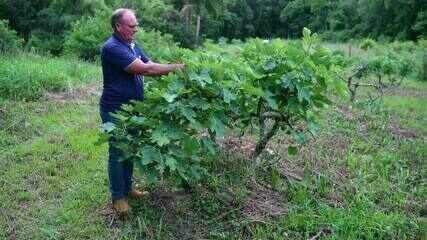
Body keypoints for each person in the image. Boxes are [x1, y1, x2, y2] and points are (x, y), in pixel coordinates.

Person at [100, 8, 184, 214]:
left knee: (130, 149)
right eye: (132, 26)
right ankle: (117, 197)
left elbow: (150, 63)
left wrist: (175, 74)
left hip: (134, 108)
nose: (136, 29)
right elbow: (145, 69)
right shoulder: (111, 47)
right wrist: (178, 68)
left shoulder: (132, 44)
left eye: (136, 25)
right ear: (118, 27)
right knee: (118, 151)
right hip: (116, 110)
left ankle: (128, 188)